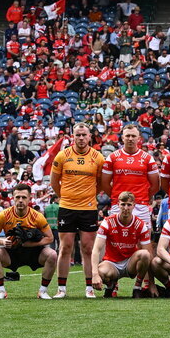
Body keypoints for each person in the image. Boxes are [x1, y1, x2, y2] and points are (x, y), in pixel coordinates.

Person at [50, 123, 105, 299]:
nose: (81, 138)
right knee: (65, 248)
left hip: (88, 209)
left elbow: (101, 183)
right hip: (67, 207)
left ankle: (89, 288)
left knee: (88, 249)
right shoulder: (63, 155)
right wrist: (65, 197)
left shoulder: (98, 157)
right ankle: (61, 289)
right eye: (78, 135)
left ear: (90, 137)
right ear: (72, 136)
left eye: (84, 135)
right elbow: (54, 181)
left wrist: (88, 197)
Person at [0, 184, 57, 300]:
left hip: (34, 252)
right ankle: (1, 291)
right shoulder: (4, 215)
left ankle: (43, 291)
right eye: (17, 197)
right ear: (12, 198)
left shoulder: (37, 216)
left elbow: (49, 238)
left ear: (30, 198)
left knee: (52, 255)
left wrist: (30, 244)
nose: (20, 200)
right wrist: (3, 241)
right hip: (12, 251)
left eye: (24, 197)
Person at [90, 191, 152, 298]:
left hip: (130, 264)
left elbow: (149, 253)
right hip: (112, 263)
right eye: (123, 204)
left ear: (134, 206)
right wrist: (95, 274)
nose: (126, 208)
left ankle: (137, 287)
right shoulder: (108, 222)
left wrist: (151, 283)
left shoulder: (140, 224)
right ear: (118, 205)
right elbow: (96, 249)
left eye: (129, 204)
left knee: (145, 254)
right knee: (99, 271)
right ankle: (111, 285)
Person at [102, 124, 160, 225]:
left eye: (133, 136)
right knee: (116, 239)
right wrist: (116, 197)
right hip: (118, 205)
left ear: (139, 138)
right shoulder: (112, 157)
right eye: (127, 136)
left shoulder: (148, 158)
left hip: (141, 206)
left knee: (143, 240)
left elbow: (155, 185)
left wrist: (144, 196)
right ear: (122, 138)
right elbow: (105, 183)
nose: (130, 139)